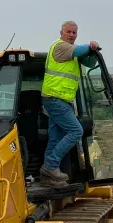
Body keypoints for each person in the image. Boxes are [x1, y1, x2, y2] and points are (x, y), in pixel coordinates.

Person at [40, 21, 99, 186]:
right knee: (76, 131)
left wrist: (92, 53)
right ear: (61, 32)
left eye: (74, 33)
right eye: (69, 32)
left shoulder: (72, 55)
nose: (71, 35)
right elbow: (81, 50)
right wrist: (91, 45)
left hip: (61, 101)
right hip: (55, 99)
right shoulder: (60, 47)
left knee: (55, 137)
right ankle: (50, 165)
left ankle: (47, 178)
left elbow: (90, 63)